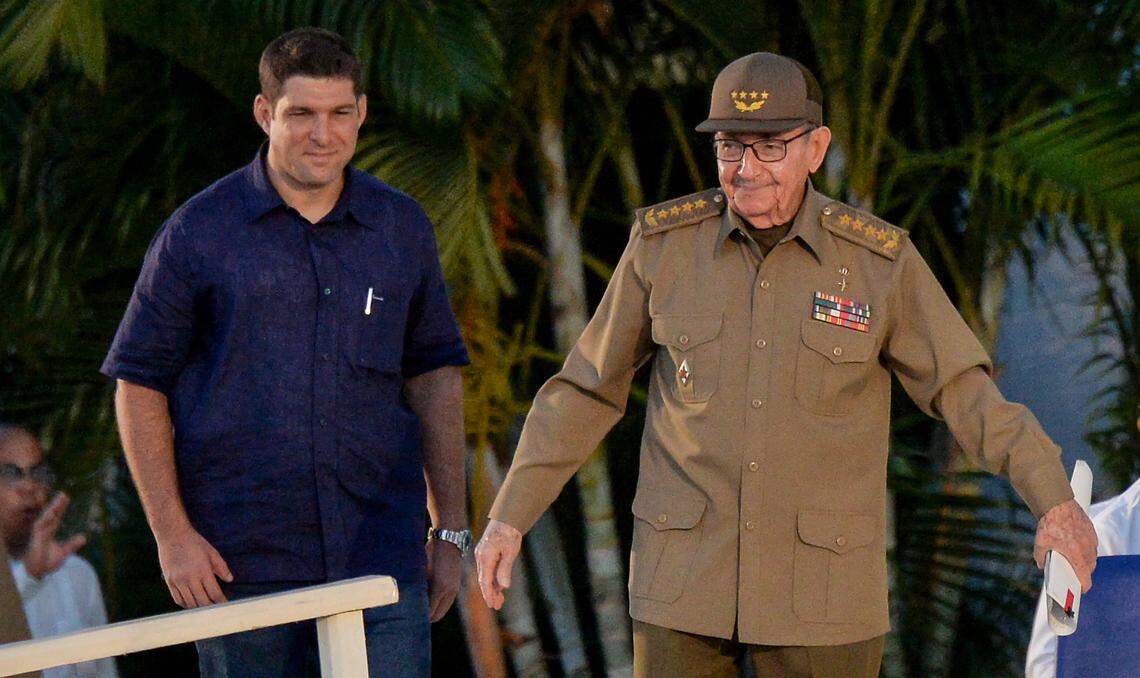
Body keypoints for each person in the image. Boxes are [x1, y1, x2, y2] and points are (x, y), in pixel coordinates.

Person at [474, 52, 1098, 677]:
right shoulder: (664, 248)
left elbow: (964, 390)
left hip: (822, 594)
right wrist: (508, 516)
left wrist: (1054, 503)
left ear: (816, 148)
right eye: (729, 147)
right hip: (683, 585)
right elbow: (586, 389)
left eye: (770, 147)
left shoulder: (878, 264)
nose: (746, 170)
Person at [100, 27, 470, 678]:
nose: (322, 134)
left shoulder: (401, 226)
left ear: (361, 114)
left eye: (339, 113)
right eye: (301, 113)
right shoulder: (198, 233)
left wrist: (451, 530)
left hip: (380, 560)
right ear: (265, 113)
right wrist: (172, 536)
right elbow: (138, 384)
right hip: (240, 569)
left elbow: (433, 377)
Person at [1, 424, 116, 678]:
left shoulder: (77, 573)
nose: (29, 486)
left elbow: (105, 671)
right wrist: (29, 575)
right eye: (10, 473)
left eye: (38, 473)